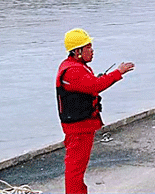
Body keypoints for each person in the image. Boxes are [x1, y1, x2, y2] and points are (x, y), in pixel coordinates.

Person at [56, 28, 135, 194]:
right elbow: (95, 85)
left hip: (80, 126)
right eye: (88, 47)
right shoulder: (73, 71)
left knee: (76, 169)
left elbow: (89, 84)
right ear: (77, 51)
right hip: (78, 128)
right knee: (75, 170)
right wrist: (118, 73)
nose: (92, 51)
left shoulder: (75, 67)